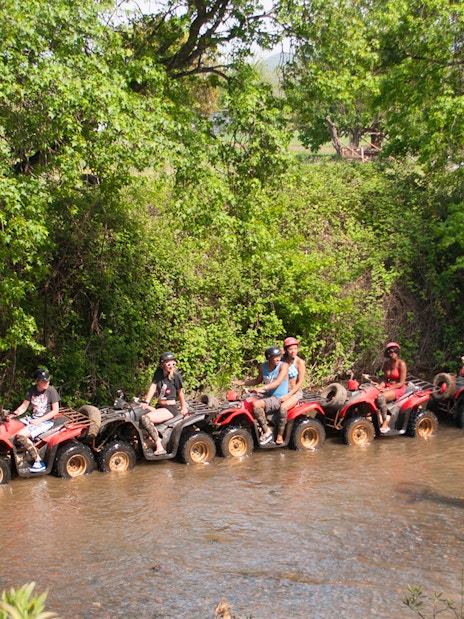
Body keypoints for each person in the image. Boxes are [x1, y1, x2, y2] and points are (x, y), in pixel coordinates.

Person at [232, 346, 289, 445]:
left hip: (279, 397)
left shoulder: (283, 366)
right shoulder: (263, 367)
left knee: (256, 405)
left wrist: (262, 388)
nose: (278, 358)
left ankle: (267, 432)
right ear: (268, 358)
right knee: (244, 402)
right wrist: (242, 383)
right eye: (275, 357)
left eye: (279, 356)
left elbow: (277, 382)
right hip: (267, 395)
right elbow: (258, 380)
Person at [10, 368, 60, 472]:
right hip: (33, 418)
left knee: (21, 436)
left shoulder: (51, 391)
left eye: (47, 380)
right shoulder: (31, 390)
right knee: (12, 427)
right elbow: (23, 407)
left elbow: (55, 411)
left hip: (46, 421)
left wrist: (39, 421)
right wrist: (14, 414)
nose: (46, 383)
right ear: (36, 381)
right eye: (43, 381)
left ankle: (38, 462)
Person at [140, 352, 188, 455]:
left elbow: (180, 392)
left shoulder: (176, 375)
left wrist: (184, 408)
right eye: (168, 364)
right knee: (138, 413)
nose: (171, 366)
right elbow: (153, 386)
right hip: (159, 406)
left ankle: (159, 446)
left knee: (146, 419)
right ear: (162, 364)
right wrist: (146, 402)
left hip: (170, 408)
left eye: (173, 364)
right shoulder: (159, 372)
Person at [276, 337, 307, 444]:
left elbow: (300, 383)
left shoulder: (299, 362)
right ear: (286, 350)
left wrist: (289, 395)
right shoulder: (283, 361)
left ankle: (280, 435)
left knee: (283, 408)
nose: (293, 351)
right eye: (290, 349)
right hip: (282, 390)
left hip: (295, 392)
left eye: (295, 348)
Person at [374, 342, 407, 433]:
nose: (392, 353)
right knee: (373, 393)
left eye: (394, 351)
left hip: (398, 388)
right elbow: (385, 380)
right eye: (390, 351)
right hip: (389, 386)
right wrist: (378, 387)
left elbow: (401, 382)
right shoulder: (386, 364)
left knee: (381, 397)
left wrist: (387, 389)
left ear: (398, 352)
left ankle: (385, 422)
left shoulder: (401, 364)